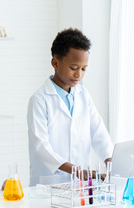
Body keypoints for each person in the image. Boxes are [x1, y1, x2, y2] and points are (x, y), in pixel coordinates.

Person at [27, 28, 114, 186]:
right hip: (49, 185)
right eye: (74, 68)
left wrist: (110, 161)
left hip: (78, 186)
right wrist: (78, 171)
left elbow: (98, 133)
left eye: (83, 69)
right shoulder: (39, 100)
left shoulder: (83, 95)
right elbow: (41, 148)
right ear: (55, 63)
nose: (79, 74)